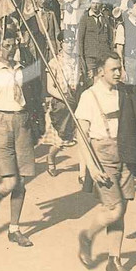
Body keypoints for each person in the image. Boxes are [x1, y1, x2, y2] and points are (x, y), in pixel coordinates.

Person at [75, 51, 136, 271]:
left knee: (122, 208)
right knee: (114, 209)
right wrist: (90, 167)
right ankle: (87, 236)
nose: (118, 73)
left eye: (120, 68)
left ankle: (114, 261)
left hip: (125, 150)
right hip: (102, 155)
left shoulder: (125, 92)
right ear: (101, 72)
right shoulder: (89, 96)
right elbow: (81, 136)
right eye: (113, 69)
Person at [0, 28, 35, 247]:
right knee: (10, 182)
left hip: (22, 123)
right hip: (1, 123)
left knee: (21, 182)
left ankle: (14, 229)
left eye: (14, 45)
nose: (11, 50)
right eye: (6, 46)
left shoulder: (22, 69)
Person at [44, 30, 85, 177]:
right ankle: (51, 157)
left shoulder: (78, 60)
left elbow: (82, 80)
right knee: (60, 141)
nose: (70, 44)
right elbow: (50, 88)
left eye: (72, 41)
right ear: (61, 43)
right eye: (67, 41)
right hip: (61, 105)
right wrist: (64, 98)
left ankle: (83, 173)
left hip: (77, 101)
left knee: (82, 138)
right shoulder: (54, 62)